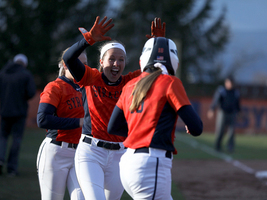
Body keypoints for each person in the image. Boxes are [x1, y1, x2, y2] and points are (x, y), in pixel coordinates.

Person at [63, 16, 165, 200]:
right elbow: (68, 58)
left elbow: (158, 70)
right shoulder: (90, 77)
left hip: (121, 155)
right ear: (101, 62)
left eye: (121, 60)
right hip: (91, 152)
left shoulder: (131, 81)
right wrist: (89, 39)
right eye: (111, 59)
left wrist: (157, 45)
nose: (116, 64)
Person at [107, 37, 203, 199]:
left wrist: (139, 131)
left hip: (128, 163)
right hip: (151, 163)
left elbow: (113, 127)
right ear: (173, 60)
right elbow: (196, 128)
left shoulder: (130, 85)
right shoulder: (170, 82)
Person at [36, 50, 87, 200]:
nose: (82, 68)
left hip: (81, 153)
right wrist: (78, 122)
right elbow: (43, 119)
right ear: (65, 65)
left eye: (85, 64)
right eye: (78, 64)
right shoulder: (55, 87)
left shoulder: (87, 87)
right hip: (56, 151)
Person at [0, 54, 36, 177]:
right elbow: (31, 93)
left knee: (2, 137)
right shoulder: (25, 74)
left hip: (4, 111)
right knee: (16, 139)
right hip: (19, 112)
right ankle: (11, 168)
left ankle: (0, 160)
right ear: (24, 63)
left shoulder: (3, 73)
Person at [207, 76, 241, 153]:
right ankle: (217, 146)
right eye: (229, 83)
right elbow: (216, 100)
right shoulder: (222, 91)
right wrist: (212, 109)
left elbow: (237, 104)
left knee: (231, 131)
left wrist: (239, 112)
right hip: (222, 112)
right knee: (220, 130)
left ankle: (230, 147)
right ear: (226, 83)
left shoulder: (235, 92)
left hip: (232, 113)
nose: (230, 84)